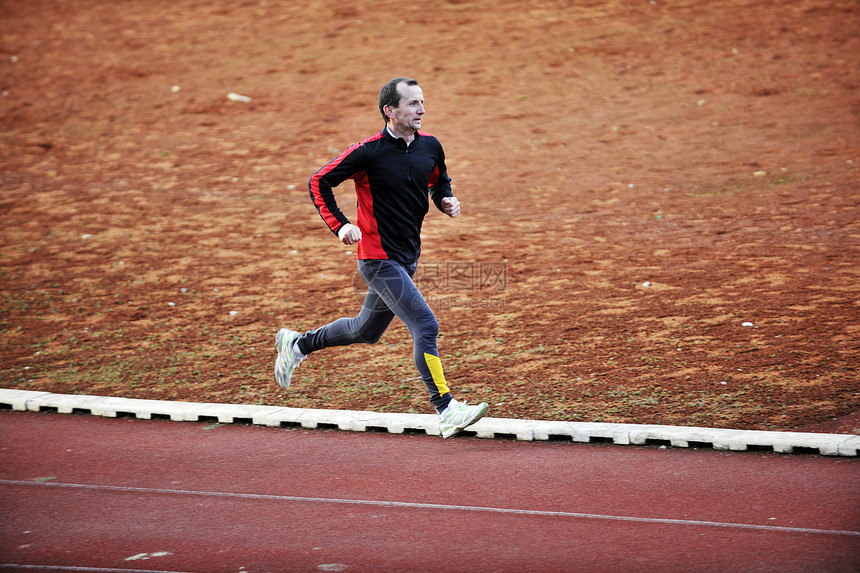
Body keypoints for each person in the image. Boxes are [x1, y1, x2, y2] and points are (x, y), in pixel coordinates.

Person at [274, 77, 488, 438]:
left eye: (422, 102)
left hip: (407, 256)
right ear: (390, 111)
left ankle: (299, 344)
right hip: (376, 258)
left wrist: (445, 200)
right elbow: (318, 181)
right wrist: (340, 225)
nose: (421, 109)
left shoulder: (430, 147)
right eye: (412, 104)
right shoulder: (368, 152)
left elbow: (439, 180)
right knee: (426, 325)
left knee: (366, 330)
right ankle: (446, 407)